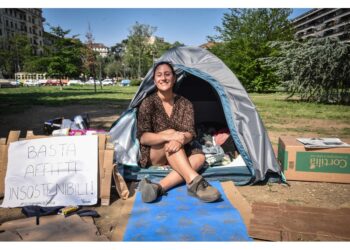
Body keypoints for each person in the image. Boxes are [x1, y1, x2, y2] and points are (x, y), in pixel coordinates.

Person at [137, 61, 221, 203]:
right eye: (159, 75)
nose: (163, 78)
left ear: (174, 78)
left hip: (179, 149)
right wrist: (168, 136)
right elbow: (143, 137)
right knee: (170, 133)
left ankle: (158, 187)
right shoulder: (148, 103)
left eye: (167, 74)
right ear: (154, 80)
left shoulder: (185, 103)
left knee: (199, 158)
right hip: (156, 154)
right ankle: (195, 182)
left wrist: (180, 139)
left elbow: (190, 133)